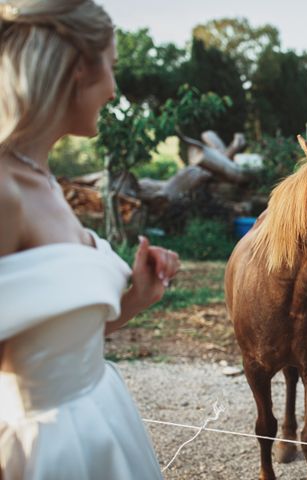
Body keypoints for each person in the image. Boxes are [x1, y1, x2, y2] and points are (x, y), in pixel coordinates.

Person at [0, 1, 179, 478]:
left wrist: (136, 298)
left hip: (102, 422)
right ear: (80, 68)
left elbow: (53, 345)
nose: (115, 88)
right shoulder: (4, 191)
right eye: (113, 67)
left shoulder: (44, 182)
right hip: (44, 451)